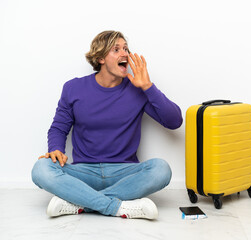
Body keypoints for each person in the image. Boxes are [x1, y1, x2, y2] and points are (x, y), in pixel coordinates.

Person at [31, 30, 183, 220]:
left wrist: (147, 87)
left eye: (126, 49)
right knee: (41, 168)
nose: (125, 54)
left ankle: (80, 203)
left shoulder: (138, 90)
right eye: (116, 49)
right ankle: (116, 206)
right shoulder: (73, 88)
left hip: (124, 173)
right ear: (101, 57)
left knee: (162, 169)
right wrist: (55, 149)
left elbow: (174, 121)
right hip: (83, 172)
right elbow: (58, 128)